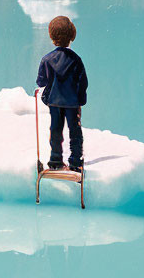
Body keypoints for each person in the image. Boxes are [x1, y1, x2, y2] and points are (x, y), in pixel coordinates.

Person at [36, 16, 88, 172]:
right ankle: (75, 162)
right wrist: (80, 100)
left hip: (54, 102)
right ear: (72, 36)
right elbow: (83, 82)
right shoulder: (76, 60)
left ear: (52, 37)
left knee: (56, 130)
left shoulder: (47, 59)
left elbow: (41, 82)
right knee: (75, 131)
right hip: (72, 102)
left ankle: (55, 160)